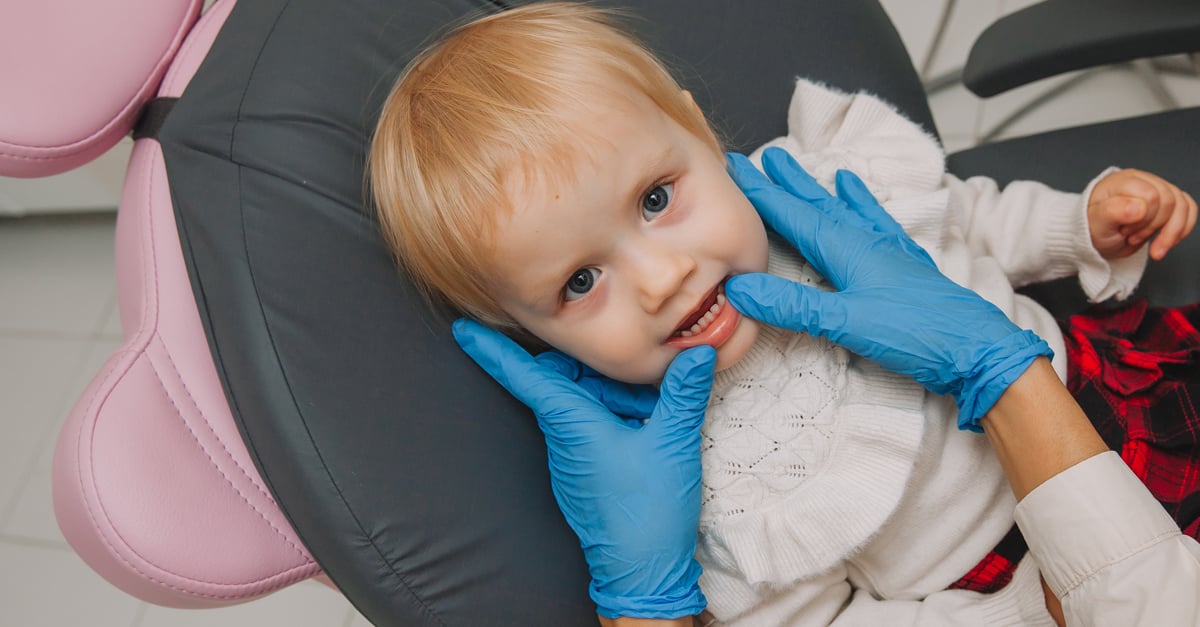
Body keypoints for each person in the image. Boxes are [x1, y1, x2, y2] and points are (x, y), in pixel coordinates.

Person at [367, 3, 1200, 624]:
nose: (662, 277)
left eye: (657, 197)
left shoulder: (811, 182)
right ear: (525, 329)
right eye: (580, 282)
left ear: (696, 129)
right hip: (1020, 587)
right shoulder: (699, 488)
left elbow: (962, 214)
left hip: (1111, 378)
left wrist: (1073, 224)